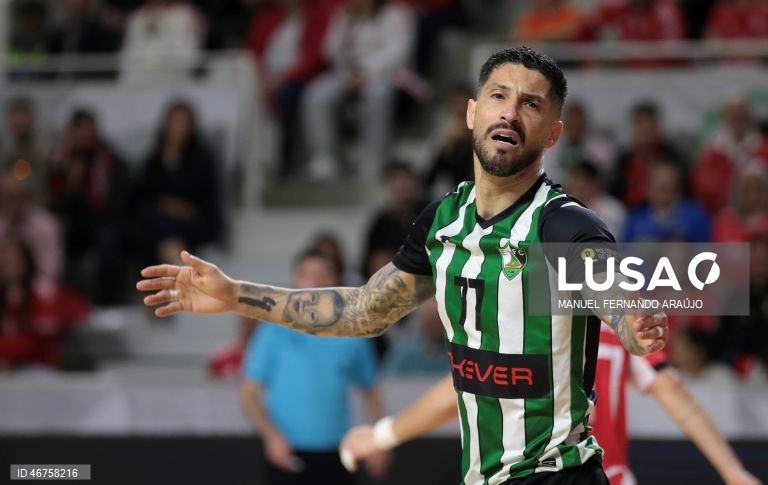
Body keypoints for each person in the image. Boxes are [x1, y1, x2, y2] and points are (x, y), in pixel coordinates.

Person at [138, 46, 669, 483]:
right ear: (471, 112)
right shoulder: (443, 223)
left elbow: (611, 293)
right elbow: (366, 311)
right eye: (499, 96)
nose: (509, 112)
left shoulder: (563, 227)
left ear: (552, 135)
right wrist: (236, 296)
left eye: (531, 105)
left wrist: (634, 324)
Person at [337, 325, 762, 485]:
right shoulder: (617, 327)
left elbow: (456, 394)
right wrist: (731, 470)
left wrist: (381, 435)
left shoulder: (515, 328)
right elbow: (677, 397)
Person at [239, 249, 388, 484]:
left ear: (334, 281)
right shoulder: (273, 330)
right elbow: (249, 393)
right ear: (295, 280)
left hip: (338, 452)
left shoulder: (353, 332)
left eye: (321, 275)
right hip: (287, 452)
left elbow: (370, 391)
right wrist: (271, 436)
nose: (314, 282)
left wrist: (378, 441)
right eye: (307, 275)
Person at [134, 100, 223, 268]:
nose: (179, 128)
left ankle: (176, 269)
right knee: (154, 223)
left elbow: (206, 200)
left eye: (183, 123)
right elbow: (144, 197)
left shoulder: (203, 159)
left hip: (193, 224)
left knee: (161, 226)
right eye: (175, 122)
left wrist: (177, 207)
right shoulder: (154, 160)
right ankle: (177, 267)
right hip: (159, 225)